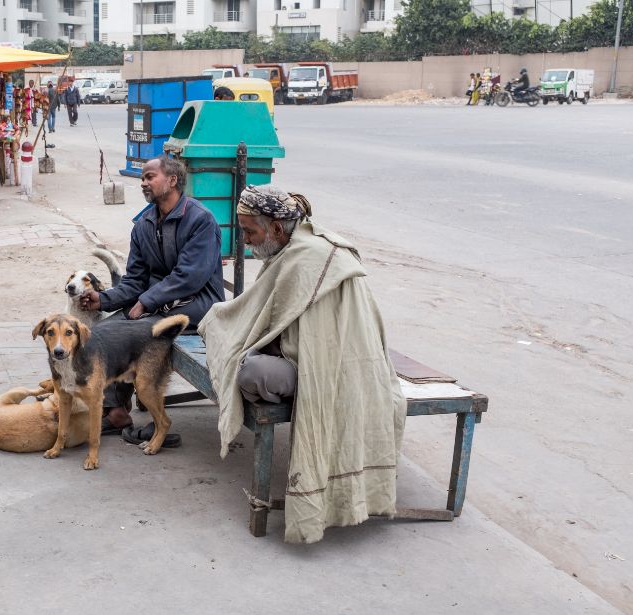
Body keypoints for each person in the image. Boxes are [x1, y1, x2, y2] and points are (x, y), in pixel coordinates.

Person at [198, 185, 405, 544]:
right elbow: (277, 317)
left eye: (250, 231)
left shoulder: (305, 257)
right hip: (326, 362)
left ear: (276, 229)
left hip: (332, 370)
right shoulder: (300, 246)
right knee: (238, 346)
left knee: (248, 370)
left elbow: (282, 328)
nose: (246, 241)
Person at [78, 154, 225, 439]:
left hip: (197, 305)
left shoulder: (200, 219)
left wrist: (147, 301)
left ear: (172, 180)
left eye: (150, 177)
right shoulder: (144, 224)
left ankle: (140, 414)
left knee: (131, 332)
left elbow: (189, 277)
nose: (144, 183)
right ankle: (115, 410)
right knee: (100, 333)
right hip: (157, 305)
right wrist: (104, 299)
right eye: (142, 178)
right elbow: (135, 280)